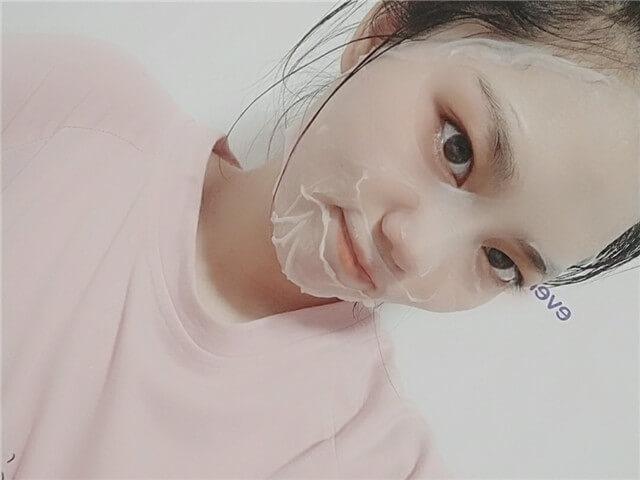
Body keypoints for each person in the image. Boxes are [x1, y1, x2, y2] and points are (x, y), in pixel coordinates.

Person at [2, 1, 638, 478]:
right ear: (383, 33)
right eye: (456, 148)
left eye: (501, 261)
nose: (416, 248)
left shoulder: (371, 461)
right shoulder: (74, 112)